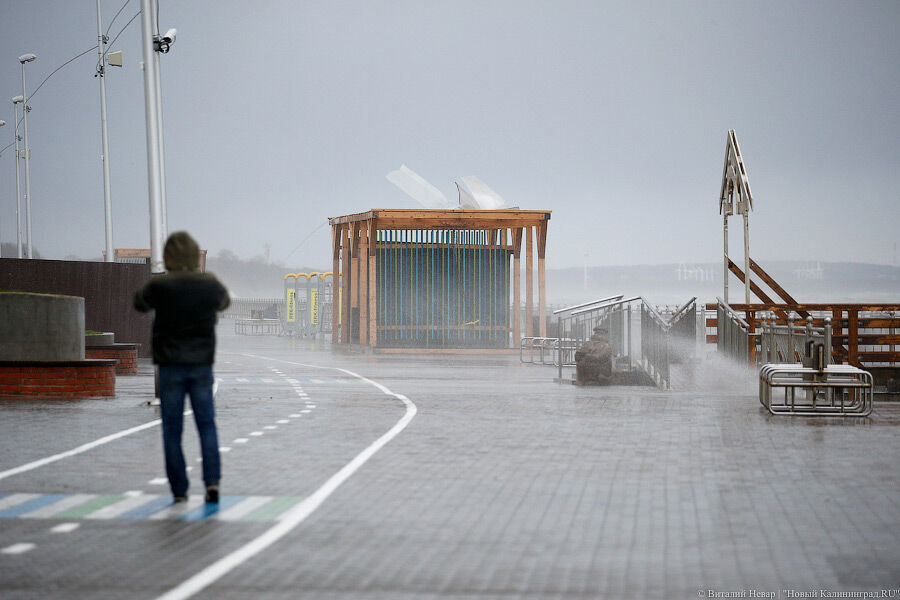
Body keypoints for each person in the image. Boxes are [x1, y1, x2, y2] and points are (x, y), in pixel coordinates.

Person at [134, 231, 230, 504]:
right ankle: (212, 482)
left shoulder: (160, 285)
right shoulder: (208, 283)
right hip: (200, 365)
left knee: (172, 429)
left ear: (168, 257)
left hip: (170, 365)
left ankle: (179, 489)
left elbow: (140, 303)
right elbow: (224, 302)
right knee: (206, 424)